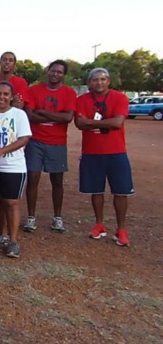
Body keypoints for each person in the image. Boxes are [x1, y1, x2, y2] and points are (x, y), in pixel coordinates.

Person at [74, 68, 134, 247]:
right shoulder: (82, 100)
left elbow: (117, 122)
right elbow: (79, 124)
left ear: (108, 81)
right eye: (95, 80)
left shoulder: (120, 97)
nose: (98, 83)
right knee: (96, 191)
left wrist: (90, 123)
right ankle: (99, 224)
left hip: (116, 152)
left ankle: (121, 229)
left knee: (121, 191)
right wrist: (104, 122)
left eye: (102, 79)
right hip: (92, 153)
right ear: (89, 82)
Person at [23, 60, 77, 233]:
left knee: (57, 181)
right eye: (53, 71)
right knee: (32, 178)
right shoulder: (34, 90)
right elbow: (30, 115)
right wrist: (55, 116)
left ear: (64, 75)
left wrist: (43, 112)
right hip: (35, 140)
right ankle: (31, 217)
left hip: (57, 142)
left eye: (60, 72)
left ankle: (57, 217)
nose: (55, 74)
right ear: (48, 71)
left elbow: (67, 118)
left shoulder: (69, 93)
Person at [0, 81, 32, 258]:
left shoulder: (19, 115)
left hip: (13, 166)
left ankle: (13, 241)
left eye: (5, 94)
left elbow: (24, 138)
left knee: (12, 203)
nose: (2, 97)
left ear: (11, 96)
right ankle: (1, 235)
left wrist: (1, 151)